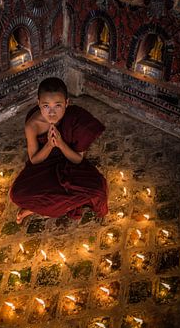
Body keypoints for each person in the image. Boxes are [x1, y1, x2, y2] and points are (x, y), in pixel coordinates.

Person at [10, 77, 108, 224]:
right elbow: (34, 160)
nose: (51, 113)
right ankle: (58, 206)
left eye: (58, 106)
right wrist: (49, 145)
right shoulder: (33, 125)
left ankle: (34, 209)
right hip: (44, 166)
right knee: (17, 194)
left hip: (70, 165)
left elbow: (77, 160)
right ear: (38, 104)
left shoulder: (76, 118)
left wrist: (61, 144)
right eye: (46, 106)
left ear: (67, 103)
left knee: (98, 191)